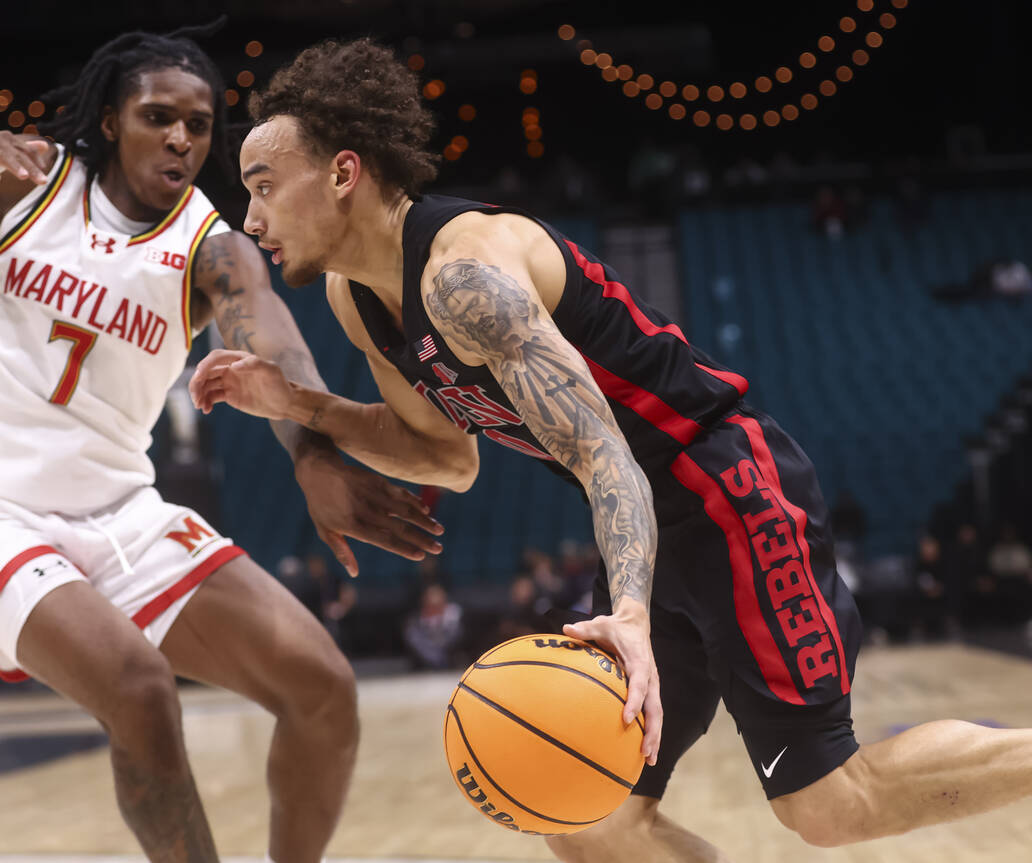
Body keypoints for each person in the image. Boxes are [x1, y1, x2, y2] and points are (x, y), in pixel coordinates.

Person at [189, 37, 1032, 860]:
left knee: (829, 803)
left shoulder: (465, 274)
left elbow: (606, 455)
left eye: (263, 186)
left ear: (343, 172)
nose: (250, 216)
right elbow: (448, 457)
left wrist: (627, 612)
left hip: (722, 487)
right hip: (640, 524)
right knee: (586, 813)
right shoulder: (357, 297)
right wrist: (305, 405)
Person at [0, 25, 445, 863]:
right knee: (141, 689)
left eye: (199, 124)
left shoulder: (213, 247)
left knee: (324, 688)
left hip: (121, 511)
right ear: (113, 120)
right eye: (159, 116)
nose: (183, 139)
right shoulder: (37, 181)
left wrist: (314, 458)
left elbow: (270, 342)